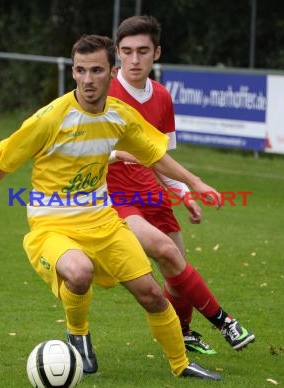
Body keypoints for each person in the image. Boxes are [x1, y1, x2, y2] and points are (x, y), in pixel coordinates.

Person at [0, 34, 222, 380]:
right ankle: (77, 333)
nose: (87, 79)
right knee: (79, 272)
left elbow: (156, 155)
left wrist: (196, 184)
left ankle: (181, 364)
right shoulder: (51, 118)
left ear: (113, 72)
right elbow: (4, 163)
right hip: (52, 226)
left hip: (103, 222)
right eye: (80, 70)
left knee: (152, 294)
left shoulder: (119, 115)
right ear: (73, 71)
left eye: (96, 70)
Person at [106, 15, 255, 356]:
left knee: (177, 270)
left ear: (156, 53)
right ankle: (224, 321)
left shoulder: (161, 97)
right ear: (116, 53)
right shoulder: (105, 94)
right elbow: (80, 149)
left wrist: (185, 194)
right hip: (116, 196)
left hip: (152, 193)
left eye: (142, 51)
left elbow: (162, 158)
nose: (134, 59)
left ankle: (183, 333)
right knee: (166, 251)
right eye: (126, 51)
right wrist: (116, 154)